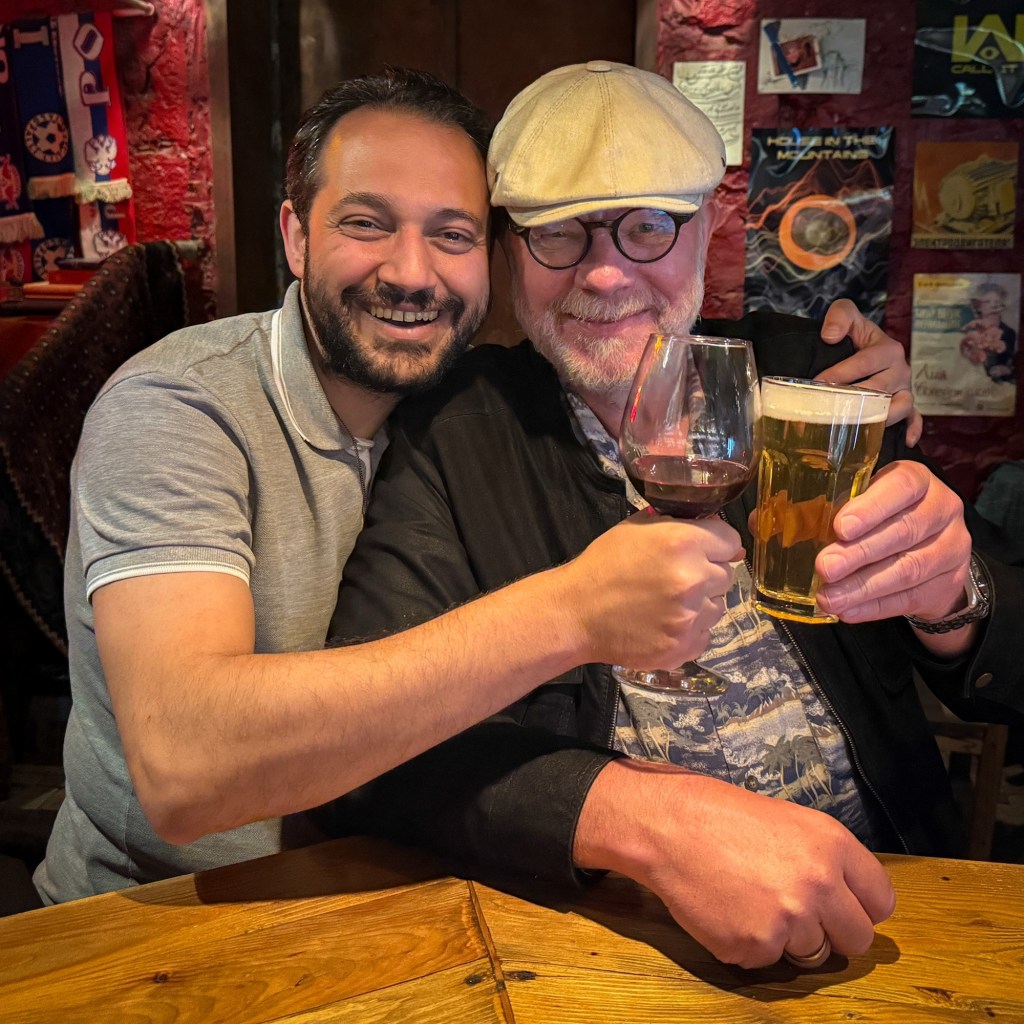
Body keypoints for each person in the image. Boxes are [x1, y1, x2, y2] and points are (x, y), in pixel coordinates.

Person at [35, 66, 917, 906]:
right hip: (165, 921)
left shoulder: (464, 403)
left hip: (394, 905)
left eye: (451, 234)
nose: (411, 273)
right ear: (296, 237)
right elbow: (185, 772)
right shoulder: (181, 409)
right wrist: (573, 616)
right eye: (366, 223)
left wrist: (945, 567)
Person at [324, 62, 1024, 970]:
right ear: (507, 249)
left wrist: (951, 600)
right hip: (612, 943)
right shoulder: (458, 429)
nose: (606, 272)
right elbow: (375, 751)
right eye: (558, 232)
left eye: (649, 225)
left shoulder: (812, 374)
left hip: (892, 906)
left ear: (706, 232)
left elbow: (1004, 660)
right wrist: (637, 817)